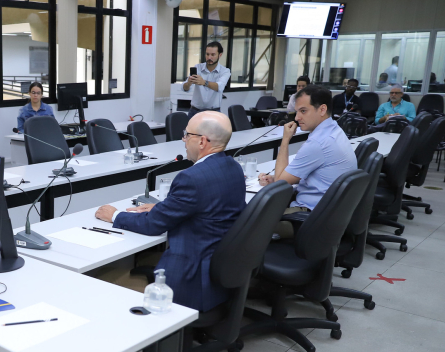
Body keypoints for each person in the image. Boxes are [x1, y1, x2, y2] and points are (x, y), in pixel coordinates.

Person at [94, 112, 246, 312]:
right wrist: (163, 207)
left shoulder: (191, 178)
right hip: (221, 270)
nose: (183, 140)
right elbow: (206, 205)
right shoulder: (233, 167)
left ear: (201, 141)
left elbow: (153, 225)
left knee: (100, 279)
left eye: (187, 135)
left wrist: (115, 215)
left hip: (190, 277)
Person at [258, 85, 357, 238]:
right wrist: (283, 176)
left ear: (322, 110)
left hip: (309, 219)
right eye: (297, 111)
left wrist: (285, 140)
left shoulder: (318, 142)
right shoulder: (334, 130)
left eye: (303, 111)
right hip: (330, 214)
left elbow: (280, 182)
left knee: (250, 220)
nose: (297, 117)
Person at [183, 42, 231, 118]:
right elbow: (185, 88)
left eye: (213, 54)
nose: (209, 57)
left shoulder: (225, 71)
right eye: (207, 54)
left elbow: (220, 87)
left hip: (214, 112)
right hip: (195, 111)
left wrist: (204, 82)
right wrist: (189, 83)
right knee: (188, 130)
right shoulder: (198, 68)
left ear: (220, 55)